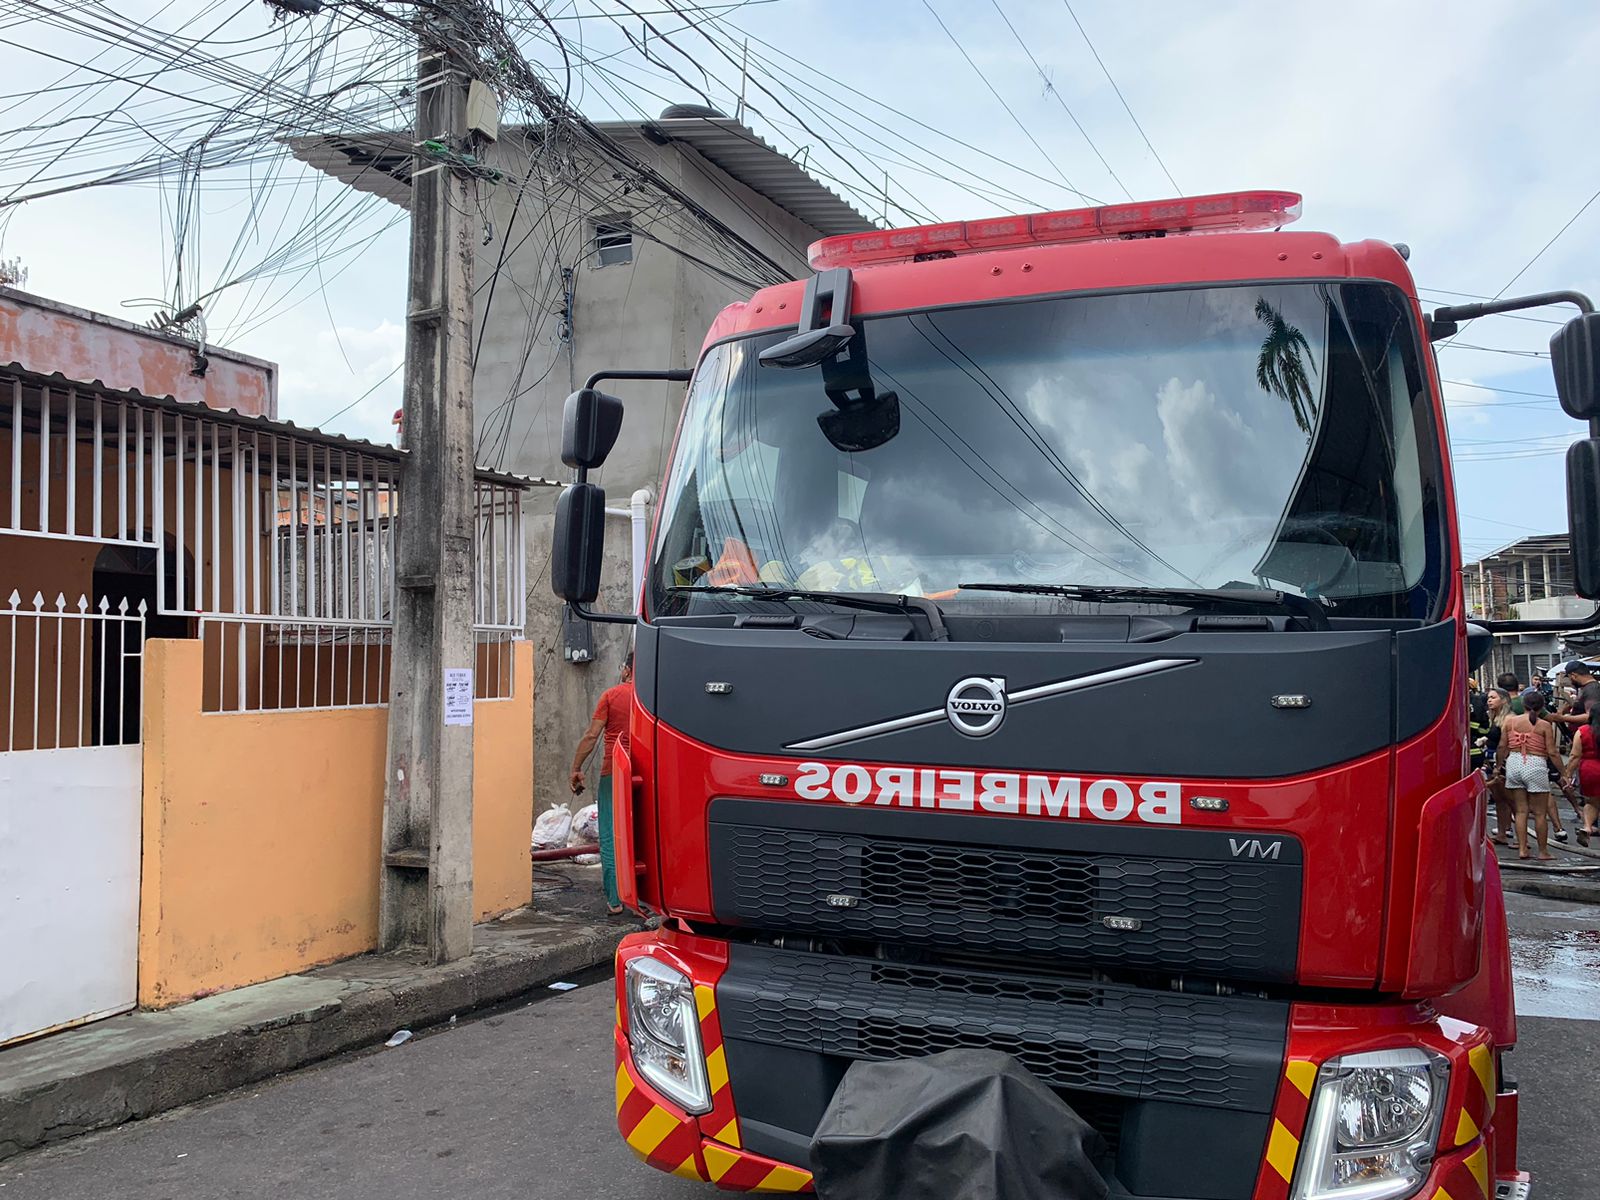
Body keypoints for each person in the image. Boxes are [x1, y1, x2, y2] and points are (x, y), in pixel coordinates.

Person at [569, 653, 634, 914]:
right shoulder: (655, 696)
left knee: (610, 835)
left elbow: (591, 735)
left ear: (628, 670)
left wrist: (576, 768)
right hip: (650, 773)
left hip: (615, 772)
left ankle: (615, 900)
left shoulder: (612, 696)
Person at [1500, 689, 1566, 861]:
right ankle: (1543, 851)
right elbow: (1552, 752)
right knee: (1539, 813)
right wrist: (1563, 772)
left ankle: (1522, 849)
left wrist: (1499, 765)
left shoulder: (1510, 722)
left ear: (1524, 705)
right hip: (1535, 764)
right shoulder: (1544, 725)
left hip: (1514, 763)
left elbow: (1502, 746)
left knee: (1520, 811)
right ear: (1541, 707)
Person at [1485, 687, 1516, 845]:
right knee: (1499, 798)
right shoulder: (1493, 718)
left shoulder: (1509, 719)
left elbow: (1506, 745)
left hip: (1503, 762)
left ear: (1503, 700)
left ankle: (1520, 836)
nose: (1489, 700)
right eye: (1489, 697)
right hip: (1491, 760)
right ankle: (1501, 832)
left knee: (1511, 799)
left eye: (1493, 697)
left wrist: (1500, 765)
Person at [1568, 702, 1600, 844]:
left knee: (1591, 802)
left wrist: (1568, 774)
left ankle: (1587, 827)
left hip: (1589, 768)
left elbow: (1575, 755)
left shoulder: (1582, 731)